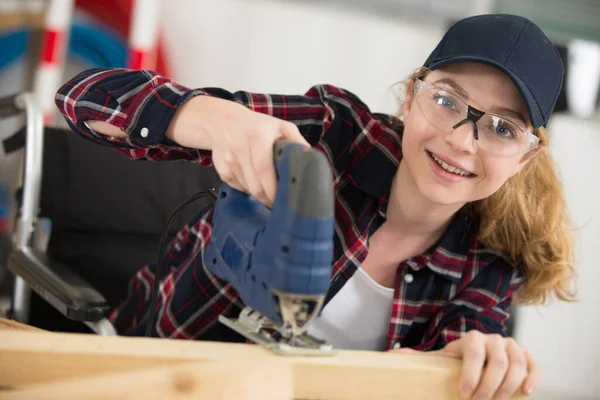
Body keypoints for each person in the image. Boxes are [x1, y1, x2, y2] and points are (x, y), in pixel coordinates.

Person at [55, 13, 577, 400]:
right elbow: (82, 96)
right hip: (145, 379)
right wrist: (218, 121)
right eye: (446, 101)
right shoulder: (332, 133)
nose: (464, 141)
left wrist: (474, 366)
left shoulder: (494, 257)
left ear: (525, 160)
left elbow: (453, 360)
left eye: (503, 128)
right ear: (410, 98)